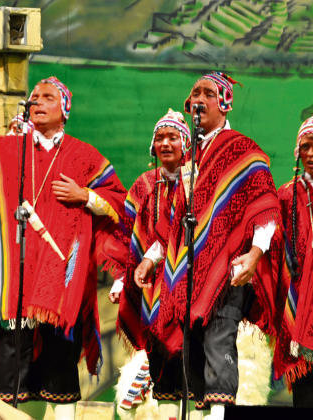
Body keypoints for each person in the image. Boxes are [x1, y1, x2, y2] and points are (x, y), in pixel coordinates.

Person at [0, 76, 127, 419]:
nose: (37, 101)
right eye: (34, 97)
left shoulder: (84, 156)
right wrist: (10, 142)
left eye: (47, 97)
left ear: (64, 110)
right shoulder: (8, 149)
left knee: (60, 367)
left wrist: (85, 196)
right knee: (6, 366)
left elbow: (119, 201)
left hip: (61, 278)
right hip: (14, 276)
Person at [133, 72, 284, 417]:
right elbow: (173, 221)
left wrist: (255, 254)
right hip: (188, 272)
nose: (199, 99)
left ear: (224, 102)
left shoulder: (243, 151)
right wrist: (151, 260)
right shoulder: (191, 158)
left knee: (219, 343)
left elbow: (265, 207)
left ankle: (218, 415)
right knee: (190, 351)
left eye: (208, 93)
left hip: (228, 269)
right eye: (195, 93)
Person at [112, 109, 190, 415]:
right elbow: (124, 236)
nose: (166, 144)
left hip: (186, 287)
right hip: (148, 287)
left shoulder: (196, 185)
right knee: (158, 361)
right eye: (160, 138)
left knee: (185, 359)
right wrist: (121, 277)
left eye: (173, 137)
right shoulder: (144, 184)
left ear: (186, 144)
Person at [272, 112, 313, 407]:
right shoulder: (286, 195)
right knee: (305, 387)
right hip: (298, 297)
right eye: (306, 146)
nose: (311, 153)